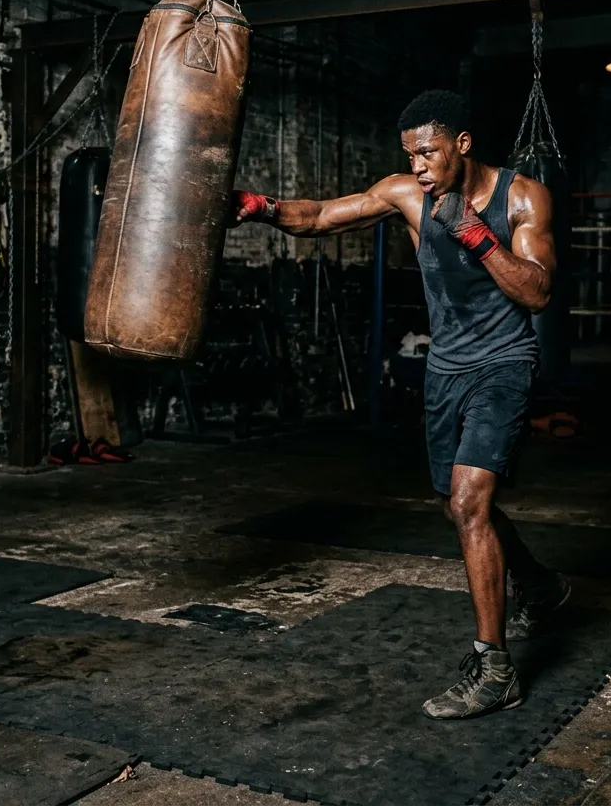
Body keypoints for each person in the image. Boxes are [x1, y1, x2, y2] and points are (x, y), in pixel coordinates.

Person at [228, 89, 571, 720]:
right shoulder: (406, 194)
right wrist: (261, 206)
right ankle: (538, 582)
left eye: (429, 153)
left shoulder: (522, 197)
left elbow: (539, 293)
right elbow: (321, 217)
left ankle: (493, 667)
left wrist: (478, 237)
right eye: (410, 154)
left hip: (505, 364)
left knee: (470, 502)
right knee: (455, 506)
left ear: (462, 145)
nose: (418, 166)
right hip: (445, 369)